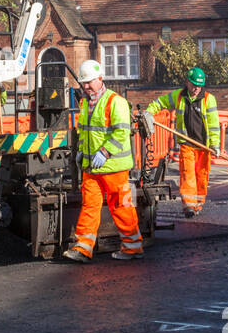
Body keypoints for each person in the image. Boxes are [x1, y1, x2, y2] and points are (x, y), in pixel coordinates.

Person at [63, 59, 144, 262]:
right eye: (84, 83)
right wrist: (81, 151)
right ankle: (83, 248)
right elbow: (84, 132)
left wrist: (105, 153)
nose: (87, 86)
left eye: (90, 82)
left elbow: (121, 132)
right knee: (89, 205)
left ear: (100, 79)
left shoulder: (115, 101)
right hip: (92, 168)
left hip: (114, 167)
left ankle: (133, 247)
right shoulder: (85, 103)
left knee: (121, 205)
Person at [142, 66, 219, 217]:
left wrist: (215, 145)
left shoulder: (209, 99)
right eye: (194, 85)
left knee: (201, 176)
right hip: (187, 144)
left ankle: (198, 205)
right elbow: (160, 102)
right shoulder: (179, 96)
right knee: (187, 174)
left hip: (203, 146)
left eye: (199, 85)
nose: (197, 88)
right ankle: (189, 206)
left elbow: (214, 124)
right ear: (187, 82)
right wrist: (149, 112)